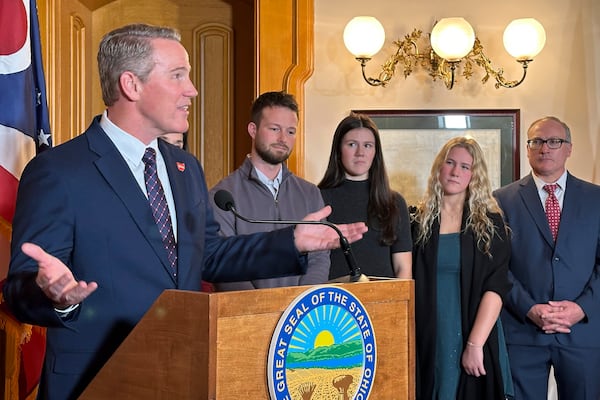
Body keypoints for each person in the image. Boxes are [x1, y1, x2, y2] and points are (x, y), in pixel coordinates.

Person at [1, 24, 367, 400]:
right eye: (178, 75)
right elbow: (19, 290)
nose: (191, 89)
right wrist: (56, 298)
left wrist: (292, 241)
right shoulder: (59, 171)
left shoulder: (185, 168)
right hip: (97, 381)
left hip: (183, 376)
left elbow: (209, 256)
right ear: (132, 84)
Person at [494, 116, 600, 400]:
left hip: (583, 332)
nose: (545, 148)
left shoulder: (596, 199)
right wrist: (529, 308)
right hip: (522, 332)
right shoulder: (500, 200)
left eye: (555, 142)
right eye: (537, 142)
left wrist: (581, 308)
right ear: (526, 149)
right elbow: (497, 268)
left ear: (569, 149)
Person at [411, 136, 512, 399]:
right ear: (439, 167)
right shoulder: (416, 222)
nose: (456, 171)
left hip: (474, 332)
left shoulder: (491, 225)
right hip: (429, 335)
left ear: (474, 175)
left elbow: (496, 286)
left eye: (465, 167)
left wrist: (474, 344)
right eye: (450, 163)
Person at [208, 91, 329, 290]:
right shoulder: (222, 196)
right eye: (274, 129)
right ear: (253, 130)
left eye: (291, 131)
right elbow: (224, 265)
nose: (283, 138)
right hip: (248, 315)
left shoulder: (310, 193)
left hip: (302, 315)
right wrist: (262, 311)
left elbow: (319, 257)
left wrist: (300, 304)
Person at [318, 112, 412, 280]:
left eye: (368, 145)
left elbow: (403, 269)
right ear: (338, 149)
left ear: (376, 152)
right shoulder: (317, 198)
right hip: (334, 303)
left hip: (385, 301)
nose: (360, 152)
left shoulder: (394, 202)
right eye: (352, 144)